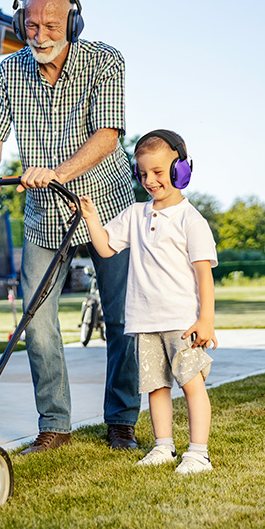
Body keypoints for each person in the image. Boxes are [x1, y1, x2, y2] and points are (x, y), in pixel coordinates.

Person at [0, 0, 139, 454]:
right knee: (37, 318)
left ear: (73, 24)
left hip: (107, 206)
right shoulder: (9, 72)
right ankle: (55, 426)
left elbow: (108, 135)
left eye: (50, 25)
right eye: (31, 24)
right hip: (44, 216)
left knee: (124, 317)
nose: (39, 34)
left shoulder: (104, 60)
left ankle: (121, 420)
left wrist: (57, 173)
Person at [75, 130, 219, 474]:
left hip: (181, 320)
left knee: (191, 384)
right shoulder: (136, 214)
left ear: (180, 169)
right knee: (156, 387)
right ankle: (163, 447)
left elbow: (204, 275)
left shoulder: (191, 220)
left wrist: (206, 320)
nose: (150, 180)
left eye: (158, 172)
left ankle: (199, 453)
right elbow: (107, 247)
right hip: (144, 320)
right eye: (142, 174)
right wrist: (92, 219)